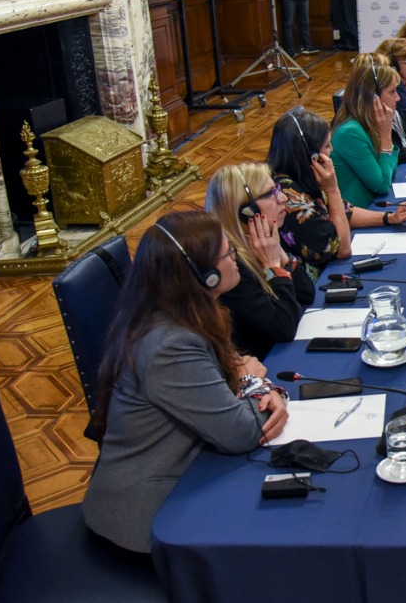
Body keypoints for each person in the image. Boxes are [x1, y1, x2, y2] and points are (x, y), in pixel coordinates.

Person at [83, 210, 288, 555]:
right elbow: (240, 432)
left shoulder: (184, 315)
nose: (237, 257)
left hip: (188, 472)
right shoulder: (171, 345)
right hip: (149, 516)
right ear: (204, 276)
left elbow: (227, 387)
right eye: (228, 254)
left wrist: (257, 387)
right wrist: (255, 383)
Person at [267, 106, 406, 268]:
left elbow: (344, 211)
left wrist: (389, 218)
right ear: (311, 155)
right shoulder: (289, 198)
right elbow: (343, 249)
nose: (332, 150)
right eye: (327, 146)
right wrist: (333, 190)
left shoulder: (302, 176)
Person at [204, 163, 314, 359]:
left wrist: (279, 253)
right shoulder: (232, 267)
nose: (283, 198)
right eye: (272, 192)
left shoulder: (265, 242)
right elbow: (283, 328)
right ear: (247, 211)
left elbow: (307, 295)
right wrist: (272, 266)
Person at [331, 54, 402, 207]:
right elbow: (382, 184)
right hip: (358, 219)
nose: (397, 98)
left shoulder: (369, 123)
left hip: (373, 206)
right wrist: (386, 135)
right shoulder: (349, 133)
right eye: (392, 92)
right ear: (373, 97)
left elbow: (390, 172)